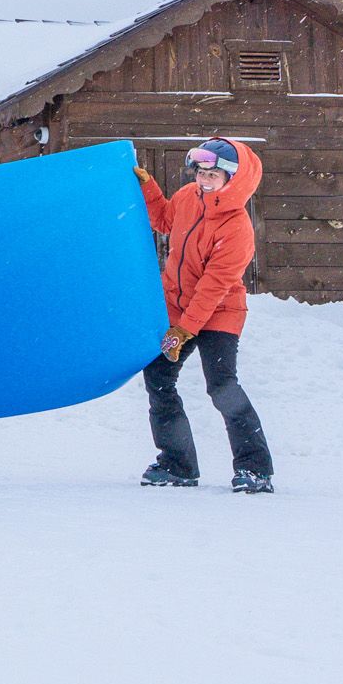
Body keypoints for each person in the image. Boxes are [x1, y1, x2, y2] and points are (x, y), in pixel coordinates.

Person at [132, 137, 274, 493]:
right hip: (179, 307)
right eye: (201, 172)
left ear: (233, 179)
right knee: (159, 378)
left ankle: (255, 469)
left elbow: (213, 287)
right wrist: (148, 188)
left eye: (213, 174)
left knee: (221, 386)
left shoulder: (237, 228)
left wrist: (183, 330)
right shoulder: (187, 198)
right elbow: (165, 219)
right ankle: (178, 465)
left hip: (220, 312)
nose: (204, 180)